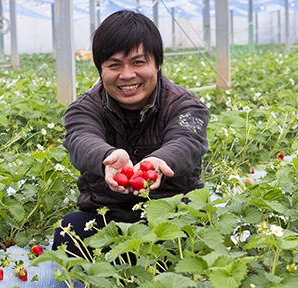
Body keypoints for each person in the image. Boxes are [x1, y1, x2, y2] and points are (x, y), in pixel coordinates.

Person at [52, 9, 209, 258]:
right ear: (100, 70)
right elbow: (80, 139)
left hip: (170, 218)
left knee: (196, 240)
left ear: (157, 64)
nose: (127, 75)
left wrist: (162, 160)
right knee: (69, 233)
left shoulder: (184, 105)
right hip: (108, 219)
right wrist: (107, 155)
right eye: (114, 65)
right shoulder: (84, 108)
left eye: (138, 62)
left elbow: (187, 139)